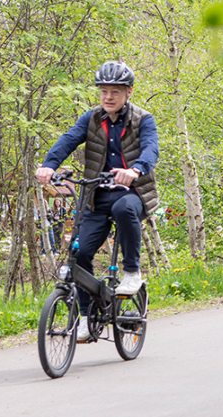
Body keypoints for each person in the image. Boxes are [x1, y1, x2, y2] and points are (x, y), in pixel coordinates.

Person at [35, 61, 159, 340]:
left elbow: (151, 148)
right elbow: (69, 140)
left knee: (124, 207)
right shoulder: (91, 118)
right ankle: (87, 315)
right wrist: (49, 165)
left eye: (115, 91)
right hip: (95, 196)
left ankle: (131, 271)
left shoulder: (143, 119)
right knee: (79, 256)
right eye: (104, 91)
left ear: (128, 92)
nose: (108, 97)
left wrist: (135, 170)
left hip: (131, 192)